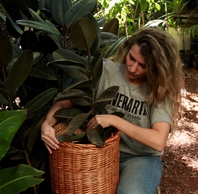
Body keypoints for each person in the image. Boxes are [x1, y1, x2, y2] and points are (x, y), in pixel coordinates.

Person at [41, 27, 184, 194]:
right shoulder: (104, 71)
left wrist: (114, 120)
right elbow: (66, 102)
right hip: (102, 151)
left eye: (142, 66)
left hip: (140, 157)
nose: (132, 68)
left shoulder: (160, 89)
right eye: (131, 58)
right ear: (128, 48)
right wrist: (46, 125)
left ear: (156, 68)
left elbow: (159, 140)